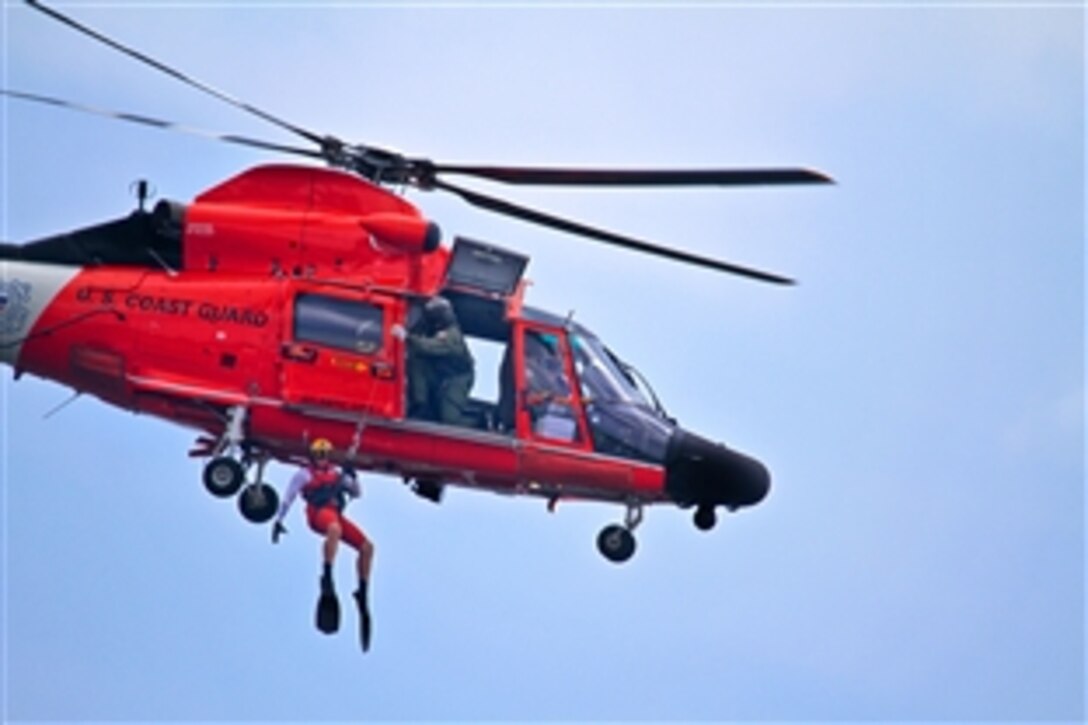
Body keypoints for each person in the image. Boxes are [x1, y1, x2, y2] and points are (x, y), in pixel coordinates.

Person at [272, 438, 374, 651]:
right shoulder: (304, 475)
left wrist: (353, 477)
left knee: (367, 547)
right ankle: (327, 573)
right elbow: (288, 497)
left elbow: (357, 493)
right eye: (318, 455)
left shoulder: (336, 474)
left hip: (334, 514)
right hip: (318, 514)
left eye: (324, 454)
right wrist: (279, 520)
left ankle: (362, 591)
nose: (321, 458)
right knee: (334, 530)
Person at [394, 296, 475, 427]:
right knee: (417, 362)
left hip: (458, 378)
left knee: (449, 419)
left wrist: (408, 337)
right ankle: (420, 404)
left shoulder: (452, 335)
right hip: (440, 373)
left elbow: (429, 347)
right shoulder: (431, 329)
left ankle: (479, 423)